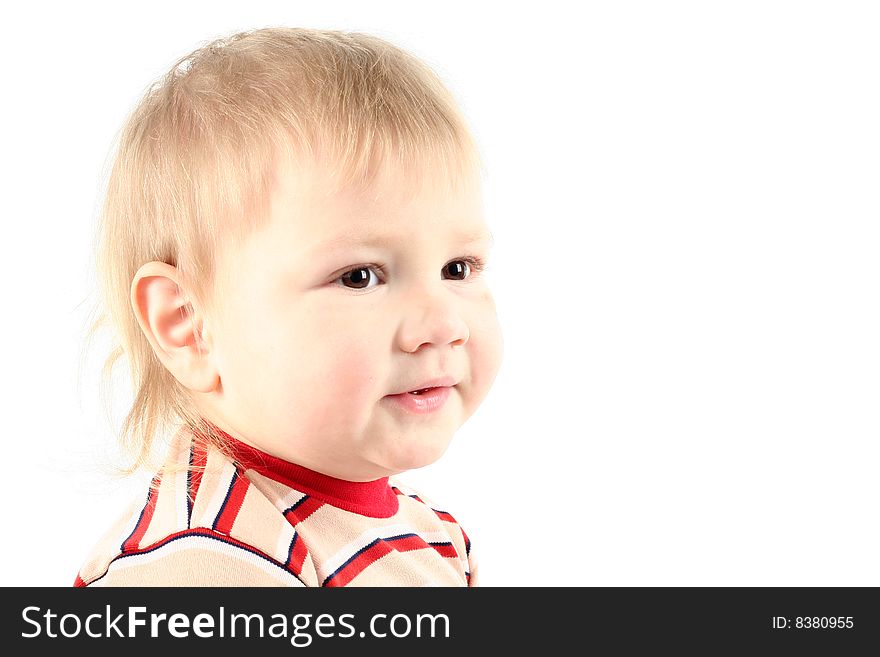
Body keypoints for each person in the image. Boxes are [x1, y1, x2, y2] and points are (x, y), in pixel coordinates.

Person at [74, 27, 503, 587]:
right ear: (190, 326)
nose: (443, 325)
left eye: (458, 269)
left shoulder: (430, 533)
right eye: (359, 277)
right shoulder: (208, 567)